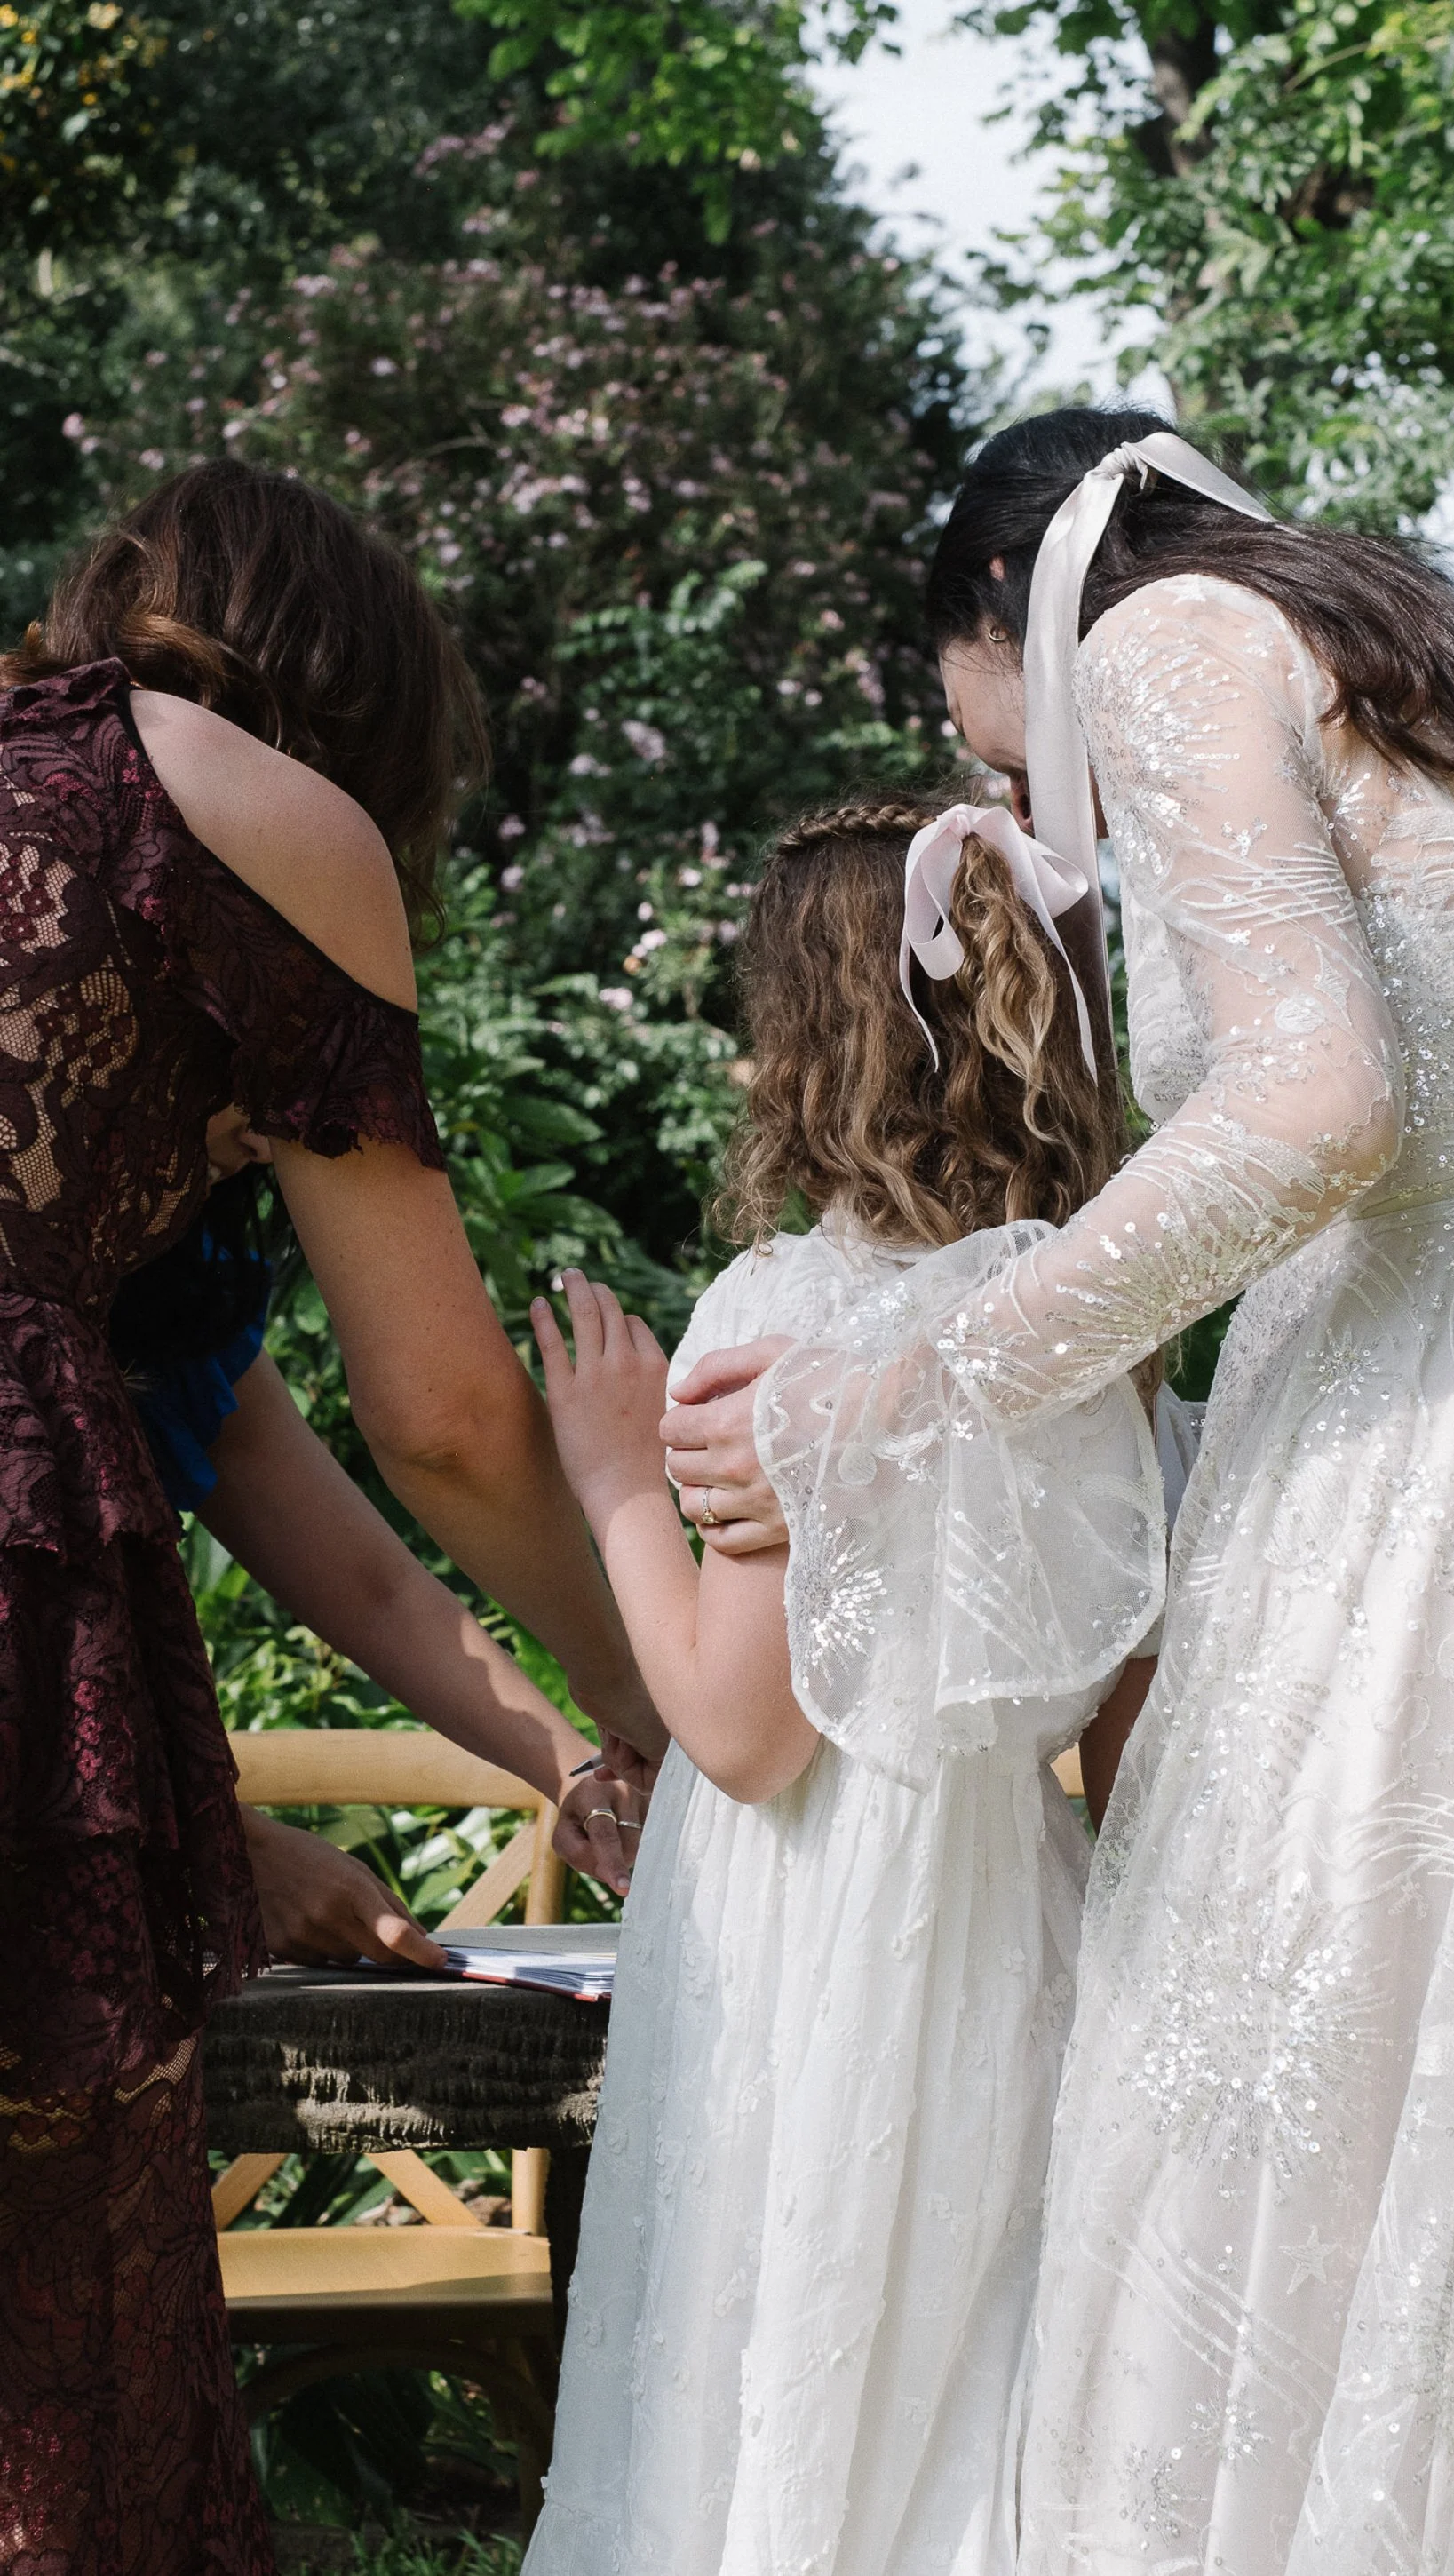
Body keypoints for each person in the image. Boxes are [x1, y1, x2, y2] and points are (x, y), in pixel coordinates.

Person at [657, 407, 1454, 2574]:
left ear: (1002, 610)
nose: (978, 762)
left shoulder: (1155, 644)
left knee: (1285, 2105)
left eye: (953, 702)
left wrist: (908, 1390)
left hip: (1412, 1472)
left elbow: (1321, 1100)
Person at [0, 460, 663, 2576]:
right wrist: (690, 1698)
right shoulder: (260, 830)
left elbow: (307, 1497)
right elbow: (453, 1423)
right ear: (364, 717)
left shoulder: (94, 1117)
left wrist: (573, 1746)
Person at [518, 798, 1164, 2576]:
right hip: (999, 1937)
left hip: (813, 1942)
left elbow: (737, 1727)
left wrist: (609, 1481)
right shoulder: (1068, 1320)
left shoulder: (779, 1311)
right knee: (970, 2383)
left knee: (771, 2353)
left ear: (798, 1041)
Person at [112, 1128, 648, 1949]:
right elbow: (442, 1429)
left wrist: (573, 1766)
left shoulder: (176, 1302)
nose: (266, 1136)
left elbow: (372, 1586)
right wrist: (230, 1849)